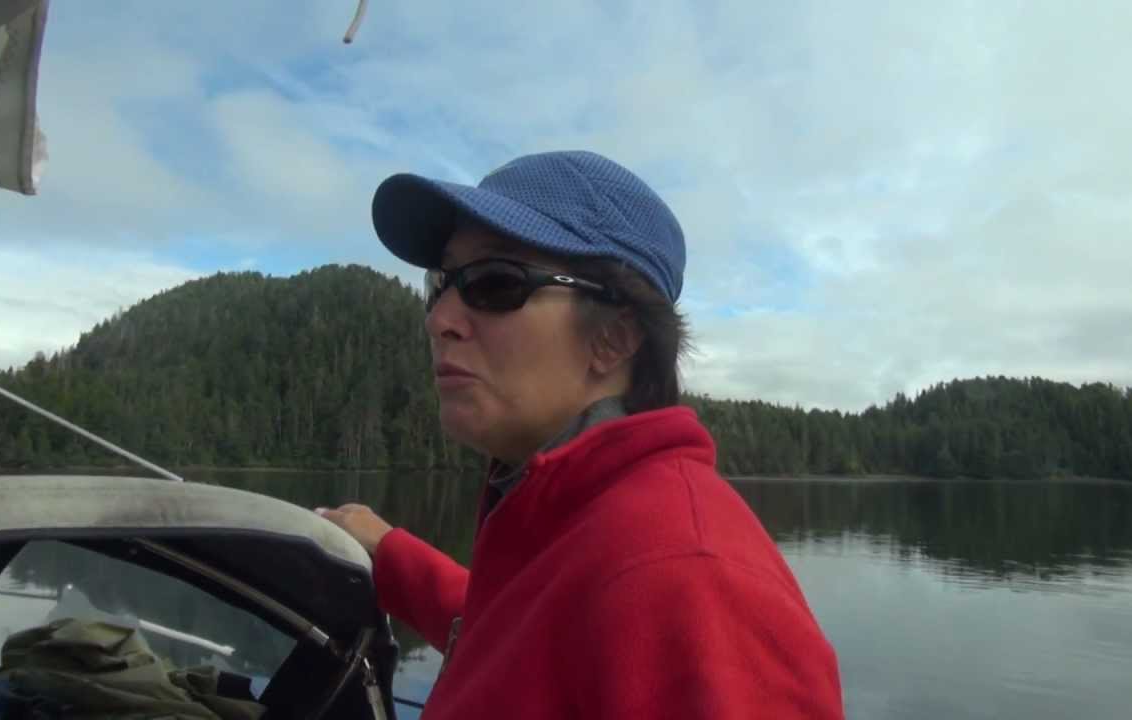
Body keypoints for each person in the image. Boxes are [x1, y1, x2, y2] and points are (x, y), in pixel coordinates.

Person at [318, 150, 843, 718]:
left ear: (615, 339)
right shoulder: (576, 517)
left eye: (494, 283)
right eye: (441, 283)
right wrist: (390, 553)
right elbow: (521, 635)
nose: (439, 318)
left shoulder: (691, 582)